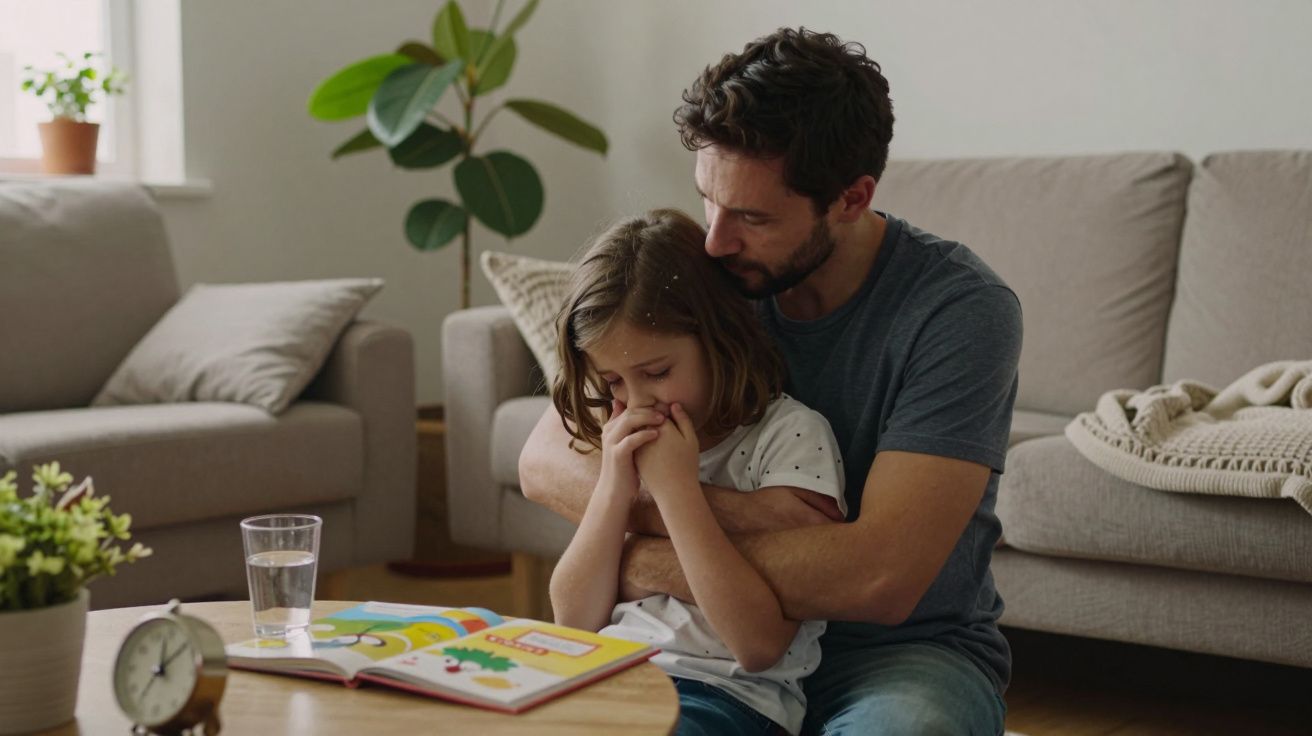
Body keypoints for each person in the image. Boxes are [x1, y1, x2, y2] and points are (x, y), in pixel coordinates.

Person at [521, 27, 1022, 735]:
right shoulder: (712, 279)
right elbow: (545, 461)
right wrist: (761, 515)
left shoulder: (958, 311)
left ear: (851, 197)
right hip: (697, 647)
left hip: (897, 656)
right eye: (708, 201)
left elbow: (877, 581)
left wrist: (636, 554)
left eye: (753, 217)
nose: (717, 240)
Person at [548, 208, 846, 736]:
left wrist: (677, 491)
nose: (637, 402)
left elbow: (756, 647)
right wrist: (615, 488)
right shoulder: (621, 438)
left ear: (717, 338)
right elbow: (573, 623)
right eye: (614, 382)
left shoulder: (790, 435)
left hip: (727, 698)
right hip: (607, 676)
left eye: (657, 373)